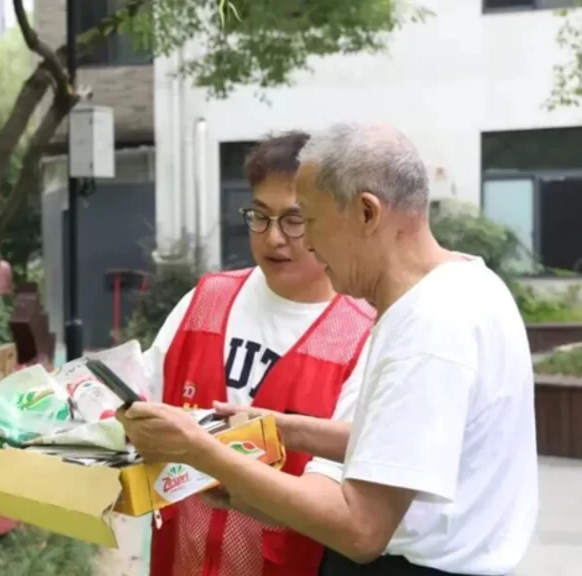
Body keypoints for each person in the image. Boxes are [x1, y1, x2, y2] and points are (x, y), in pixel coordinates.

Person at [120, 122, 538, 576]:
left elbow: (360, 530)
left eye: (308, 221)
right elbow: (399, 442)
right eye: (263, 217)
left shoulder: (429, 329)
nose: (309, 246)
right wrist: (286, 430)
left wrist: (202, 452)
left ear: (366, 213)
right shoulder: (468, 286)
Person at [141, 131, 376, 576]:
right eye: (260, 217)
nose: (273, 238)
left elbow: (343, 497)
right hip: (179, 558)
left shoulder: (361, 333)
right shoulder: (206, 299)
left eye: (294, 220)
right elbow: (140, 398)